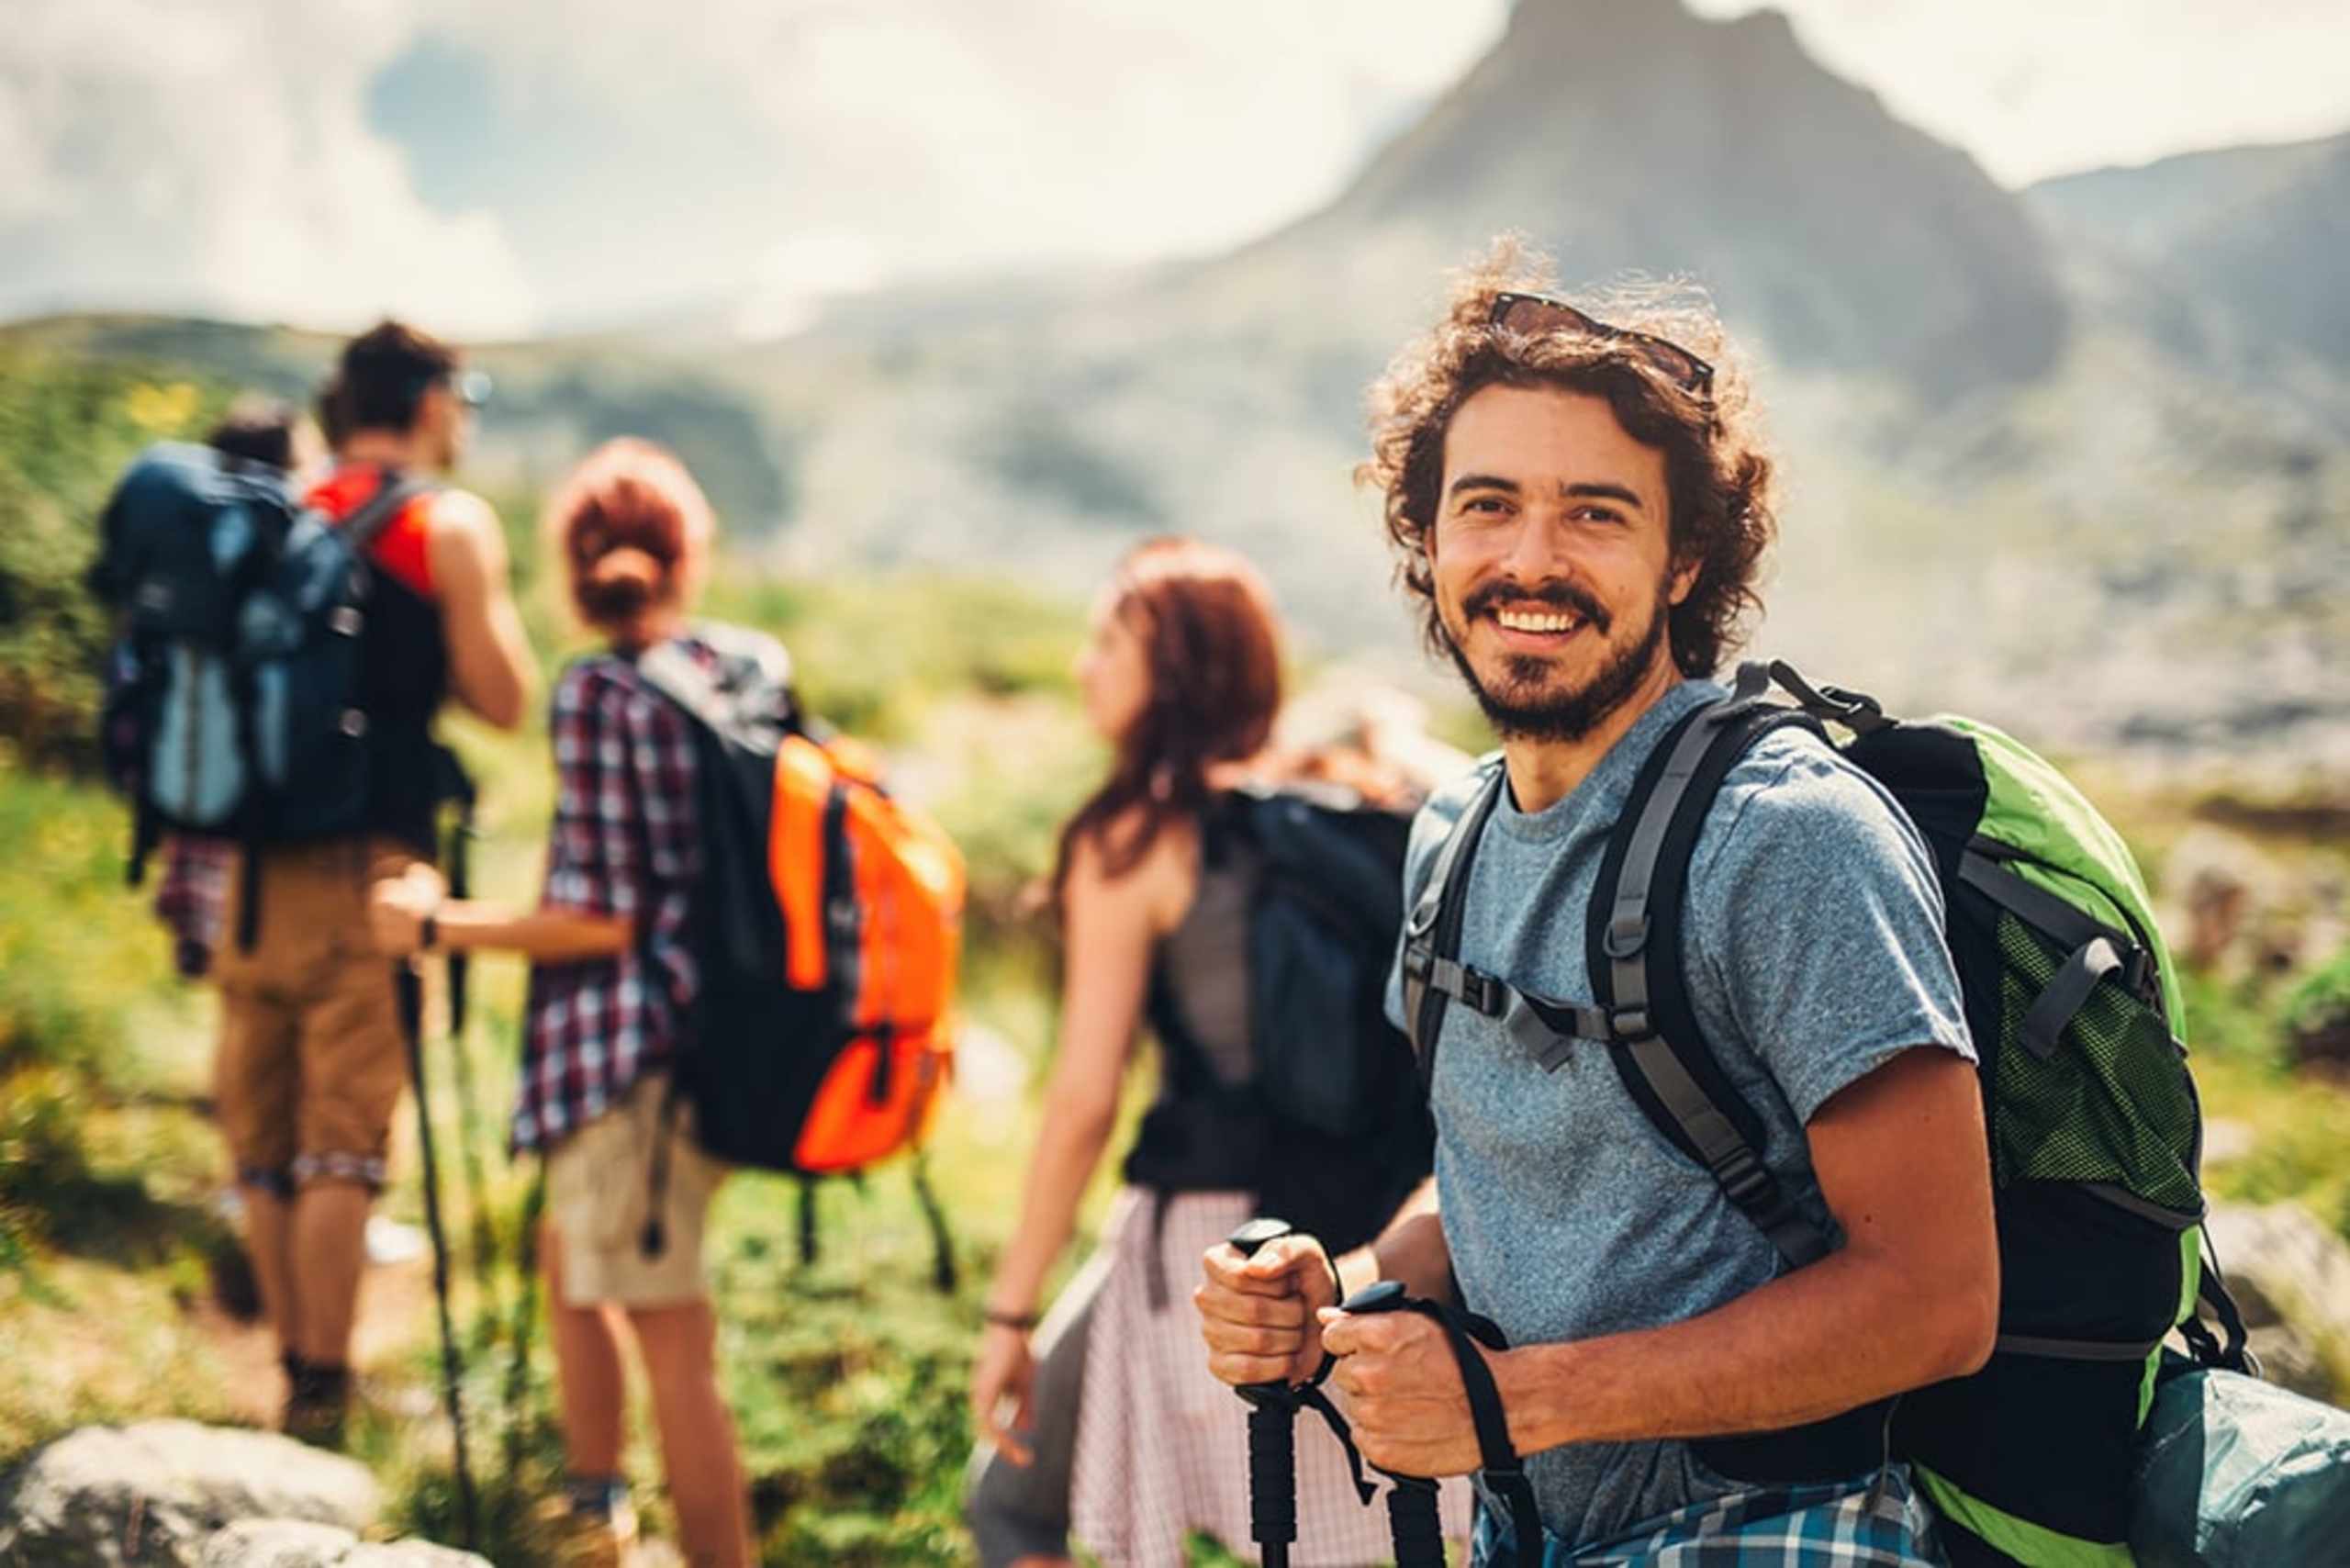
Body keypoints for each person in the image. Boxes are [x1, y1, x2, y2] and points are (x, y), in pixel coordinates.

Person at [1195, 245, 1999, 1564]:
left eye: (1596, 514)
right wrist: (1335, 1291)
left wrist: (1512, 1403)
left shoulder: (1787, 841)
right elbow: (1526, 1177)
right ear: (1429, 536)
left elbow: (1937, 1297)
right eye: (1489, 506)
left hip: (1782, 1529)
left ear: (1687, 561)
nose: (1530, 560)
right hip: (1533, 1522)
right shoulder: (1451, 835)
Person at [966, 537, 1468, 1568]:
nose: (1082, 664)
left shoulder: (1137, 837)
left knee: (1013, 1504)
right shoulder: (1331, 808)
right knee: (1325, 1534)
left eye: (1110, 638)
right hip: (1363, 1230)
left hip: (1208, 1245)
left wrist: (1008, 1310)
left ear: (1174, 667)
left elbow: (1083, 1101)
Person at [370, 438, 754, 1568]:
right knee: (568, 1264)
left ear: (571, 564)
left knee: (675, 1347)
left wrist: (438, 925)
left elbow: (603, 919)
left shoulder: (598, 691)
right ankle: (595, 1514)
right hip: (703, 1048)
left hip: (627, 1060)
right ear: (685, 557)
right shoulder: (731, 667)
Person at [208, 321, 534, 1445]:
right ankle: (322, 1393)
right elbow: (504, 697)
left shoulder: (278, 506)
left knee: (264, 1128)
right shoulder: (442, 523)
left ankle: (292, 1368)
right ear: (432, 402)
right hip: (375, 866)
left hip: (248, 865)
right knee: (343, 1138)